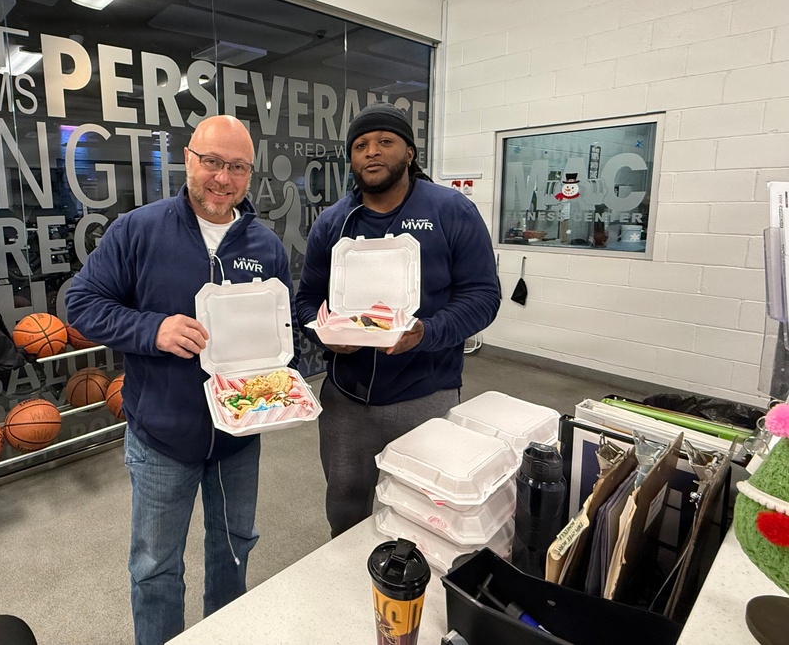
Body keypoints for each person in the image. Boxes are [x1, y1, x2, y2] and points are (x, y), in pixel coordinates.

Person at [66, 115, 294, 645]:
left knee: (234, 551)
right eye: (211, 162)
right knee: (154, 569)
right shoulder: (137, 231)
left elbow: (279, 335)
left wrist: (285, 382)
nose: (222, 178)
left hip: (238, 439)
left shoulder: (266, 247)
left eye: (237, 167)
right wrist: (153, 328)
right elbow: (81, 304)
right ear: (188, 160)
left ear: (250, 174)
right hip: (162, 439)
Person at [295, 102, 501, 537]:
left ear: (409, 152)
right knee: (346, 509)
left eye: (385, 142)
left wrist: (426, 333)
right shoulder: (334, 223)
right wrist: (326, 335)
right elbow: (307, 300)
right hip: (347, 399)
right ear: (351, 159)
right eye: (361, 145)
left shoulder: (451, 211)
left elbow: (484, 297)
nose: (372, 152)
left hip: (426, 393)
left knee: (426, 511)